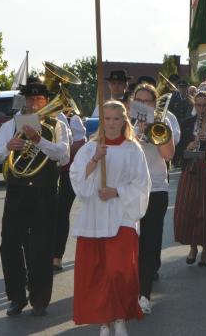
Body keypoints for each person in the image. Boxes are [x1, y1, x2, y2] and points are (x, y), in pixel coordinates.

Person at [0, 77, 70, 317]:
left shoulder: (57, 125)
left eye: (39, 99)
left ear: (46, 100)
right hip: (17, 192)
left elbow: (63, 155)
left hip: (44, 193)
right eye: (30, 99)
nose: (34, 104)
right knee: (10, 245)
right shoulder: (10, 125)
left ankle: (39, 299)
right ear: (24, 100)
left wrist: (37, 140)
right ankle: (16, 297)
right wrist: (8, 147)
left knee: (41, 247)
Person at [69, 100, 151, 336]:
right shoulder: (89, 148)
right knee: (97, 273)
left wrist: (116, 191)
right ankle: (104, 321)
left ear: (124, 121)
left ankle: (120, 318)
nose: (111, 123)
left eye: (116, 119)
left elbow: (142, 185)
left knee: (119, 272)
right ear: (101, 121)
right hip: (94, 217)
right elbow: (78, 182)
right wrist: (95, 159)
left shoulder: (132, 149)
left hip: (122, 216)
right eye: (107, 119)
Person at [129, 84, 176, 315]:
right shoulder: (123, 123)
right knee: (129, 243)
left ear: (154, 104)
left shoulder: (161, 124)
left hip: (155, 189)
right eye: (139, 100)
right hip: (128, 191)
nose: (143, 104)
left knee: (149, 243)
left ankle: (144, 295)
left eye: (148, 101)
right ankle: (129, 291)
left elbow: (168, 156)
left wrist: (150, 130)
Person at [174, 91, 206, 267]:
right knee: (190, 208)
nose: (202, 109)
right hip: (191, 169)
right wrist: (189, 146)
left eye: (205, 105)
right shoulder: (186, 123)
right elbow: (177, 155)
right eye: (198, 105)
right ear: (194, 105)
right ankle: (193, 248)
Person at [53, 109, 88, 271]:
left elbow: (81, 144)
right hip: (44, 172)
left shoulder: (71, 118)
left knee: (60, 212)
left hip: (67, 172)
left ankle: (56, 255)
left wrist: (60, 149)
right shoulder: (31, 116)